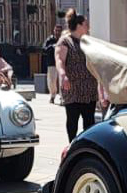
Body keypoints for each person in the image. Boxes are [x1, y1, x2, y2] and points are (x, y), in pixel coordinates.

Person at [56, 13, 100, 141]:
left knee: (89, 120)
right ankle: (72, 144)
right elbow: (59, 60)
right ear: (79, 25)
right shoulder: (65, 41)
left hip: (89, 88)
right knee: (72, 120)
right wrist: (63, 75)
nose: (88, 26)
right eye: (86, 24)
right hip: (72, 88)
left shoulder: (87, 41)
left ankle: (88, 144)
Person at [42, 23, 62, 104]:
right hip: (52, 62)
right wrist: (51, 46)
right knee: (51, 81)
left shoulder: (63, 40)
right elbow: (44, 49)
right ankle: (52, 95)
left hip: (62, 62)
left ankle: (62, 97)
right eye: (56, 30)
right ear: (54, 31)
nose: (57, 32)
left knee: (62, 80)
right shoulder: (50, 39)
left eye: (59, 31)